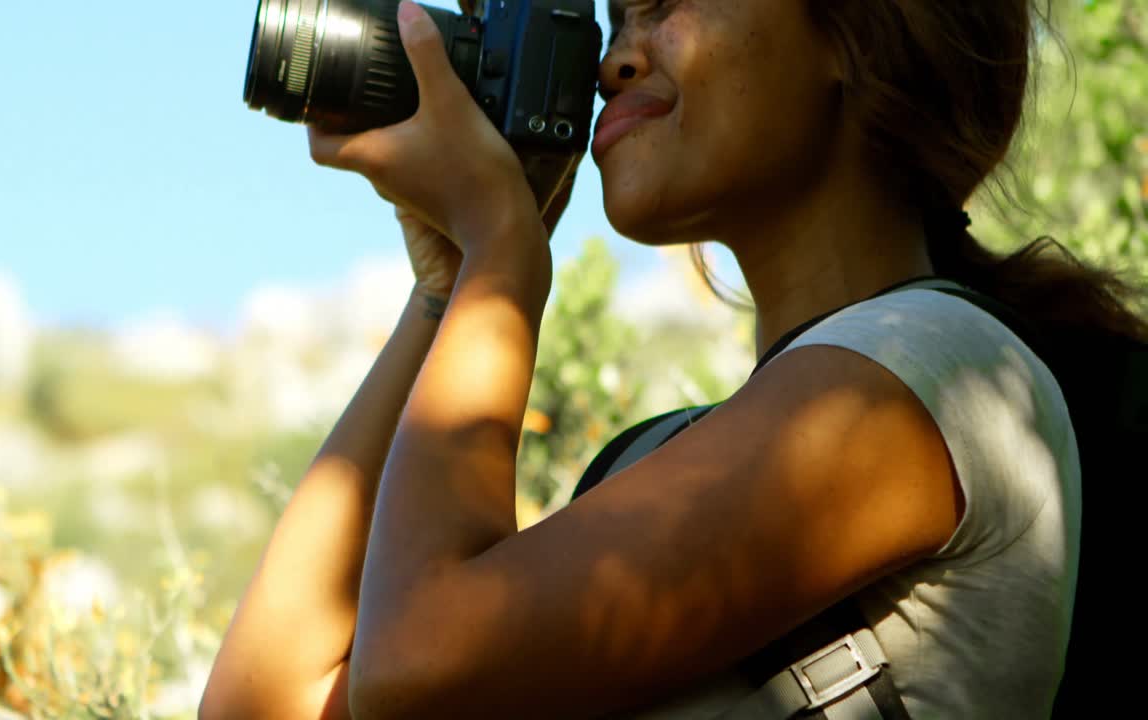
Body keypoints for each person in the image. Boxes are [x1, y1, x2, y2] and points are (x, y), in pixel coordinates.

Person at [199, 0, 1148, 717]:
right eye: (615, 20)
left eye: (669, 3)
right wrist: (448, 289)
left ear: (850, 35)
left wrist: (502, 254)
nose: (613, 59)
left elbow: (421, 663)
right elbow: (265, 702)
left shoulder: (934, 369)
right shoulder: (650, 461)